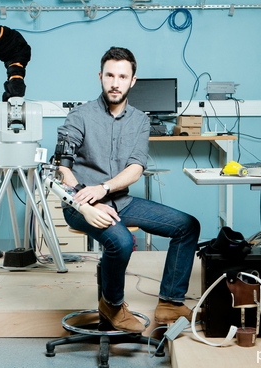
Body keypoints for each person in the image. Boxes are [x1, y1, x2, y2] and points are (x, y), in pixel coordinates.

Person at [56, 46, 201, 333]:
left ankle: (170, 303)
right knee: (121, 242)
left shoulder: (140, 120)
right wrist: (86, 201)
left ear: (132, 81)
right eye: (110, 75)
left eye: (122, 76)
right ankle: (111, 305)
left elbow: (136, 168)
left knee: (187, 226)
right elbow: (62, 168)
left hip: (120, 201)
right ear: (100, 77)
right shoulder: (79, 116)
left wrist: (105, 189)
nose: (115, 82)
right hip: (80, 204)